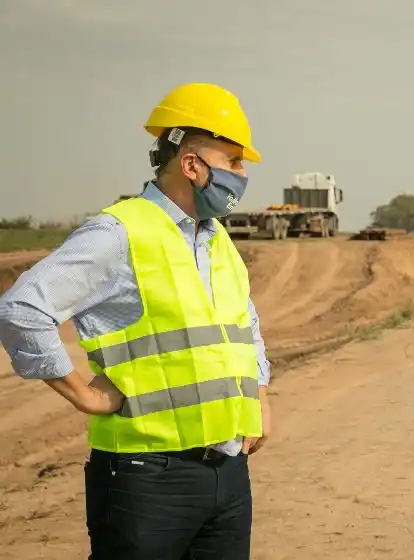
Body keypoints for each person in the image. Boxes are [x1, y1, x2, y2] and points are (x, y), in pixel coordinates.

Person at [0, 82, 271, 560]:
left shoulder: (218, 240)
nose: (242, 174)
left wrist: (261, 397)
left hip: (228, 474)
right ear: (192, 165)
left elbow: (243, 325)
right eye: (233, 161)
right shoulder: (119, 233)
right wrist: (83, 395)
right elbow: (22, 309)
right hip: (146, 480)